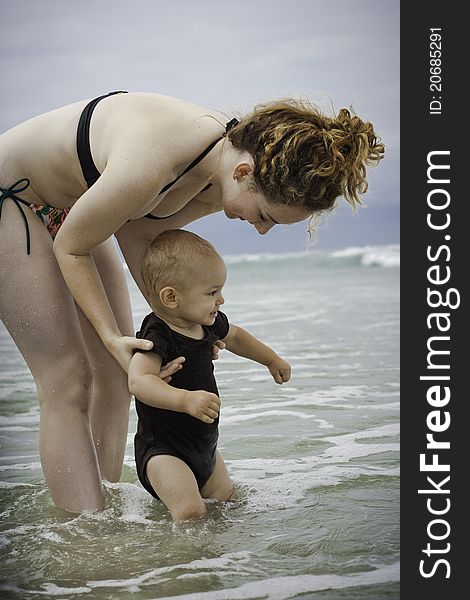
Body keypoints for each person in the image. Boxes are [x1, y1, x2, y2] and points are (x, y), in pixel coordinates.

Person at [0, 90, 384, 513]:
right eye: (265, 216)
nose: (260, 231)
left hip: (70, 207)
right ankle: (84, 533)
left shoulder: (215, 169)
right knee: (68, 379)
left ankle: (103, 503)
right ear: (244, 172)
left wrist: (183, 329)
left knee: (118, 371)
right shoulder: (157, 160)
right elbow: (73, 248)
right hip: (12, 196)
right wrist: (110, 335)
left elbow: (138, 232)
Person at [129, 229, 291, 520]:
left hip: (206, 449)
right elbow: (139, 381)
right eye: (211, 292)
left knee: (229, 507)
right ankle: (179, 563)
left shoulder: (208, 324)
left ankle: (222, 564)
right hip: (164, 451)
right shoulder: (158, 334)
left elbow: (237, 337)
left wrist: (271, 359)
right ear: (171, 297)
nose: (221, 300)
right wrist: (185, 401)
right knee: (191, 513)